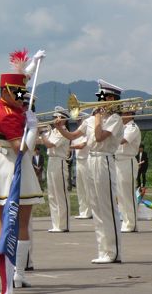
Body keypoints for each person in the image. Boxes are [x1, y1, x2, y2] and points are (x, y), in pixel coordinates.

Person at [0, 50, 44, 288]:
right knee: (18, 223)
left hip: (2, 165)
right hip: (13, 166)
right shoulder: (8, 114)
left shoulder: (2, 102)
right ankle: (15, 273)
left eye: (23, 92)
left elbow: (19, 82)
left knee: (9, 223)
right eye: (17, 92)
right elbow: (22, 148)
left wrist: (30, 68)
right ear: (5, 91)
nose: (22, 96)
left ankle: (16, 273)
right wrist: (33, 128)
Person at [56, 79, 125, 264]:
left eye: (103, 97)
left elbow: (100, 137)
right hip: (91, 160)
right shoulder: (91, 119)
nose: (99, 101)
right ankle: (104, 250)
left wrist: (97, 118)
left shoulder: (115, 119)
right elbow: (72, 136)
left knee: (107, 207)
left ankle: (114, 252)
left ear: (111, 99)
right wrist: (60, 128)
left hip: (104, 159)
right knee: (96, 207)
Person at [39, 107, 71, 232]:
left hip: (59, 161)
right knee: (52, 194)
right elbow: (40, 141)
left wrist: (42, 134)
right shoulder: (52, 131)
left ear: (63, 119)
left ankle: (63, 224)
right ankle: (56, 224)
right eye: (54, 117)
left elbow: (49, 144)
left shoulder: (63, 131)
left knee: (60, 194)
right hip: (51, 161)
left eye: (57, 117)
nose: (54, 120)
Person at [115, 109, 141, 233]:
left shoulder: (132, 127)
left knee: (128, 193)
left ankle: (132, 223)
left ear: (130, 114)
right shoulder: (122, 127)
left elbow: (122, 140)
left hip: (127, 161)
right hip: (118, 161)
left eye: (123, 114)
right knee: (120, 195)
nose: (121, 116)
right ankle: (125, 221)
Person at [70, 112, 92, 219]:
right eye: (77, 120)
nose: (78, 122)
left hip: (86, 161)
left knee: (87, 188)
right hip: (78, 161)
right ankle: (82, 211)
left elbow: (82, 146)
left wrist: (69, 148)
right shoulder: (77, 133)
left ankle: (89, 211)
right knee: (80, 188)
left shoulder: (88, 133)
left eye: (80, 120)